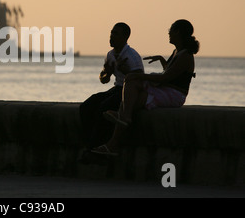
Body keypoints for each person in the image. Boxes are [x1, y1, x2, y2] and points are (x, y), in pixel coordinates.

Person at [92, 19, 200, 156]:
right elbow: (172, 72)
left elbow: (165, 78)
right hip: (166, 90)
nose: (168, 33)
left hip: (175, 95)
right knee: (129, 102)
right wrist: (162, 60)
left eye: (171, 30)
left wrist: (141, 76)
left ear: (177, 32)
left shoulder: (185, 55)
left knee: (131, 81)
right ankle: (114, 142)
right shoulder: (177, 51)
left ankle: (118, 131)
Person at [79, 23, 144, 161]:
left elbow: (140, 81)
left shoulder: (132, 56)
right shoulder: (110, 55)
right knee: (86, 106)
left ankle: (96, 148)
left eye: (115, 34)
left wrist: (126, 71)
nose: (111, 37)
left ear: (125, 37)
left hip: (128, 92)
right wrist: (106, 73)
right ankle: (89, 144)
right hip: (116, 88)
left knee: (104, 107)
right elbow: (103, 79)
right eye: (111, 33)